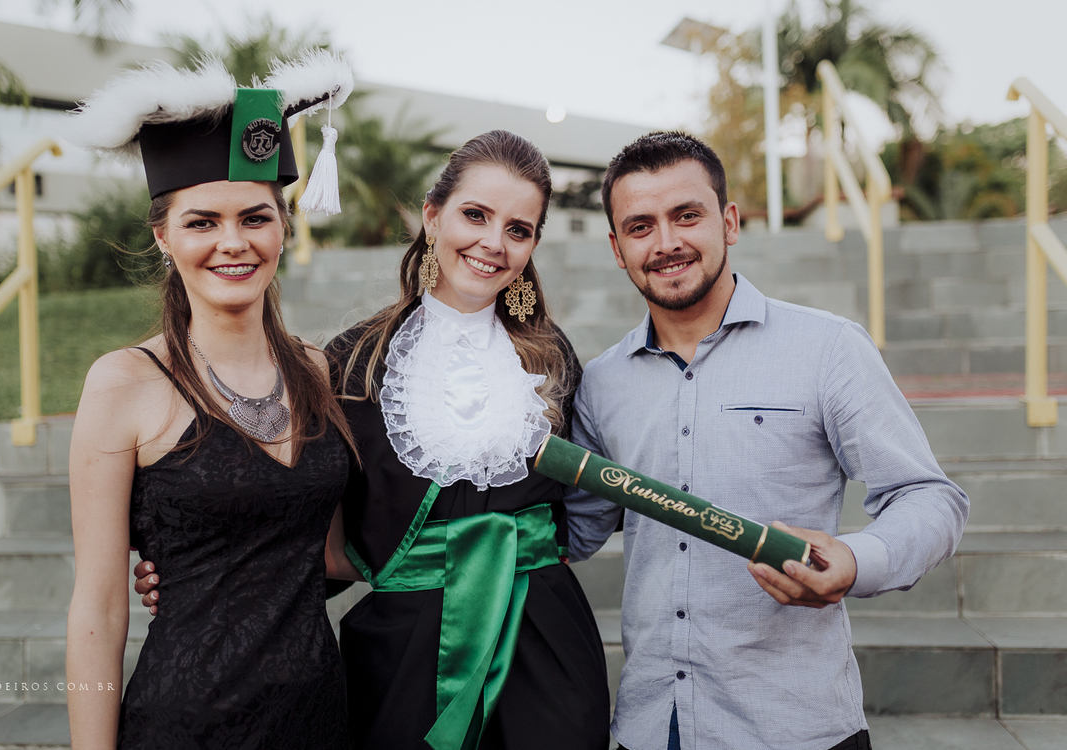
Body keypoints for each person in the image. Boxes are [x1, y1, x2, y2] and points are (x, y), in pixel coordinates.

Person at [137, 130, 611, 750]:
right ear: (432, 217)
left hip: (544, 638)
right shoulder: (352, 362)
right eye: (475, 215)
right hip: (403, 648)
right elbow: (305, 509)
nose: (494, 243)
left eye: (518, 230)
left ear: (532, 246)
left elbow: (586, 499)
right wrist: (206, 563)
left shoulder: (551, 356)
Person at [565, 131, 970, 750]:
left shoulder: (828, 349)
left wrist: (855, 560)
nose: (666, 242)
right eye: (640, 226)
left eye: (687, 215)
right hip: (651, 727)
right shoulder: (601, 383)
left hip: (794, 728)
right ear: (618, 249)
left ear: (729, 222)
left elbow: (930, 496)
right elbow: (574, 531)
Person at [65, 55, 358, 749]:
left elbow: (334, 557)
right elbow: (98, 612)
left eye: (255, 217)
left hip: (318, 719)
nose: (234, 242)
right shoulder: (124, 383)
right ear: (163, 237)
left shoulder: (316, 370)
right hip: (186, 725)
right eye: (202, 222)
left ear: (283, 227)